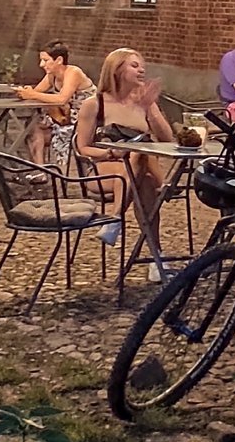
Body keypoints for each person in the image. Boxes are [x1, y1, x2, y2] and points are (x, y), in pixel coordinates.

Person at [75, 48, 175, 281]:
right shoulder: (95, 103)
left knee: (142, 159)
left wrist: (152, 108)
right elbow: (83, 148)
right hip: (106, 167)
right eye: (134, 65)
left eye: (142, 65)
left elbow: (167, 139)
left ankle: (117, 220)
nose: (142, 70)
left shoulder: (143, 102)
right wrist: (110, 152)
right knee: (144, 176)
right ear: (117, 70)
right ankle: (155, 258)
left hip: (138, 167)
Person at [15, 42, 96, 167]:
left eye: (45, 60)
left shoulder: (73, 72)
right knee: (32, 128)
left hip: (86, 119)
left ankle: (64, 169)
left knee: (49, 128)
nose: (41, 64)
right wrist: (24, 92)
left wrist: (32, 95)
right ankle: (41, 170)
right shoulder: (51, 76)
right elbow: (36, 92)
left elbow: (62, 99)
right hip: (65, 118)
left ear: (59, 60)